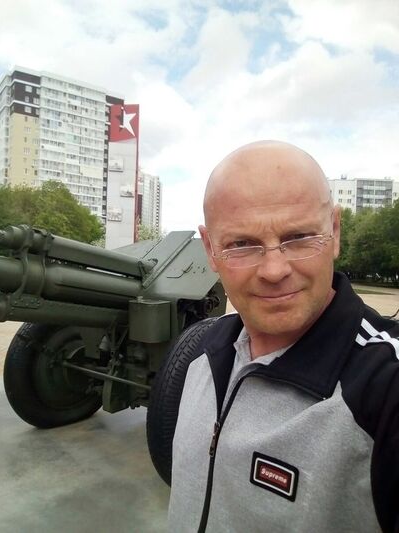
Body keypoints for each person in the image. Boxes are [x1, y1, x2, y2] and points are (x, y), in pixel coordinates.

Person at [168, 140, 399, 533]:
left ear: (335, 232)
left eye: (299, 237)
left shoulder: (385, 388)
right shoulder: (203, 354)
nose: (274, 270)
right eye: (242, 244)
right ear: (209, 248)